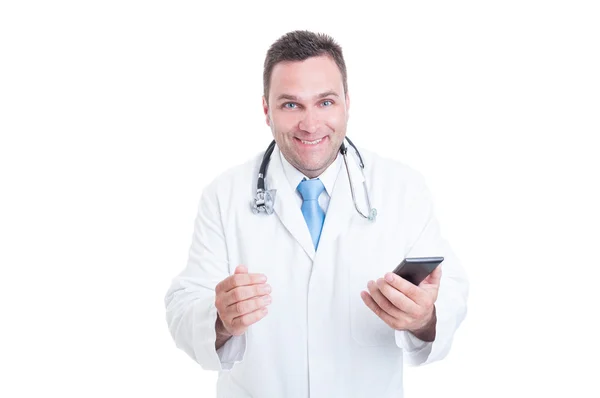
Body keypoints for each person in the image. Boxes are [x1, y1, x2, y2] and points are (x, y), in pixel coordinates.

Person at [164, 30, 469, 397]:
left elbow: (449, 290)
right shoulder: (223, 196)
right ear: (266, 110)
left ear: (346, 103)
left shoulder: (403, 188)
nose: (310, 124)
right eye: (291, 105)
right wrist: (220, 319)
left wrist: (424, 318)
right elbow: (183, 305)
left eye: (325, 102)